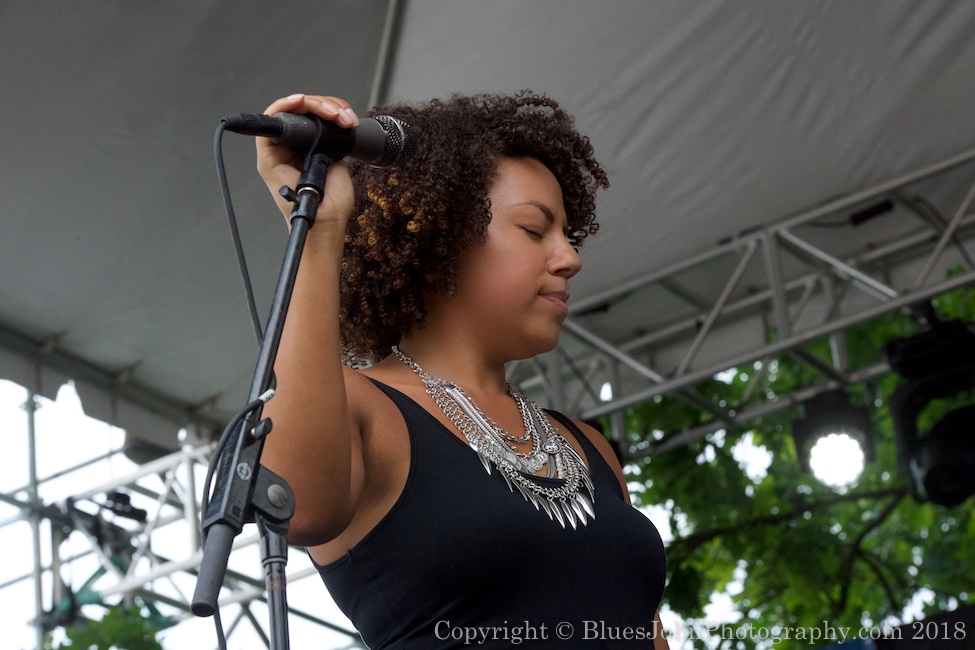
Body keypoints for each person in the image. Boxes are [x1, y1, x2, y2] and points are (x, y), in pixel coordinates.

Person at [257, 90, 669, 648]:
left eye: (568, 237)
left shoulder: (587, 447)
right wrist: (321, 229)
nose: (570, 258)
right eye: (533, 229)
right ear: (437, 236)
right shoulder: (362, 406)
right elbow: (297, 505)